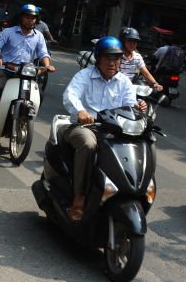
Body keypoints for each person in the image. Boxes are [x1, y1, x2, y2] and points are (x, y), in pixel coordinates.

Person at [60, 36, 147, 221]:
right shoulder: (84, 75)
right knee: (88, 144)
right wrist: (81, 111)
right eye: (108, 58)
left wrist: (138, 108)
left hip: (113, 131)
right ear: (98, 58)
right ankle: (79, 197)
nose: (112, 62)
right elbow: (70, 95)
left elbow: (129, 105)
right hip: (85, 127)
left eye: (116, 59)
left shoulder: (124, 82)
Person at [0, 4, 55, 135]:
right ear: (21, 18)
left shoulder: (39, 36)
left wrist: (47, 65)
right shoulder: (8, 32)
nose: (30, 20)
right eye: (27, 17)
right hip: (6, 70)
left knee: (39, 94)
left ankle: (25, 120)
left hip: (26, 74)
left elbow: (43, 54)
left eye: (33, 18)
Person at [118, 27, 162, 91]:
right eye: (130, 40)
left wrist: (155, 84)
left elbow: (146, 73)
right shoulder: (116, 56)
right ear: (123, 41)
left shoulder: (137, 57)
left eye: (135, 41)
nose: (132, 44)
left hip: (129, 89)